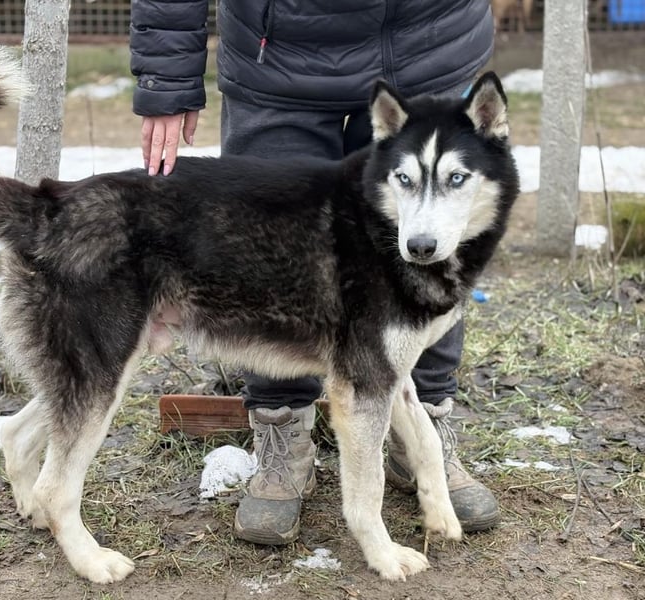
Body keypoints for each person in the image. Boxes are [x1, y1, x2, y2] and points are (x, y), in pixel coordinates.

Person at [129, 0, 500, 545]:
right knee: (267, 259)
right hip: (278, 55)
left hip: (427, 44)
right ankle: (281, 432)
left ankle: (423, 440)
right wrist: (166, 77)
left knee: (432, 254)